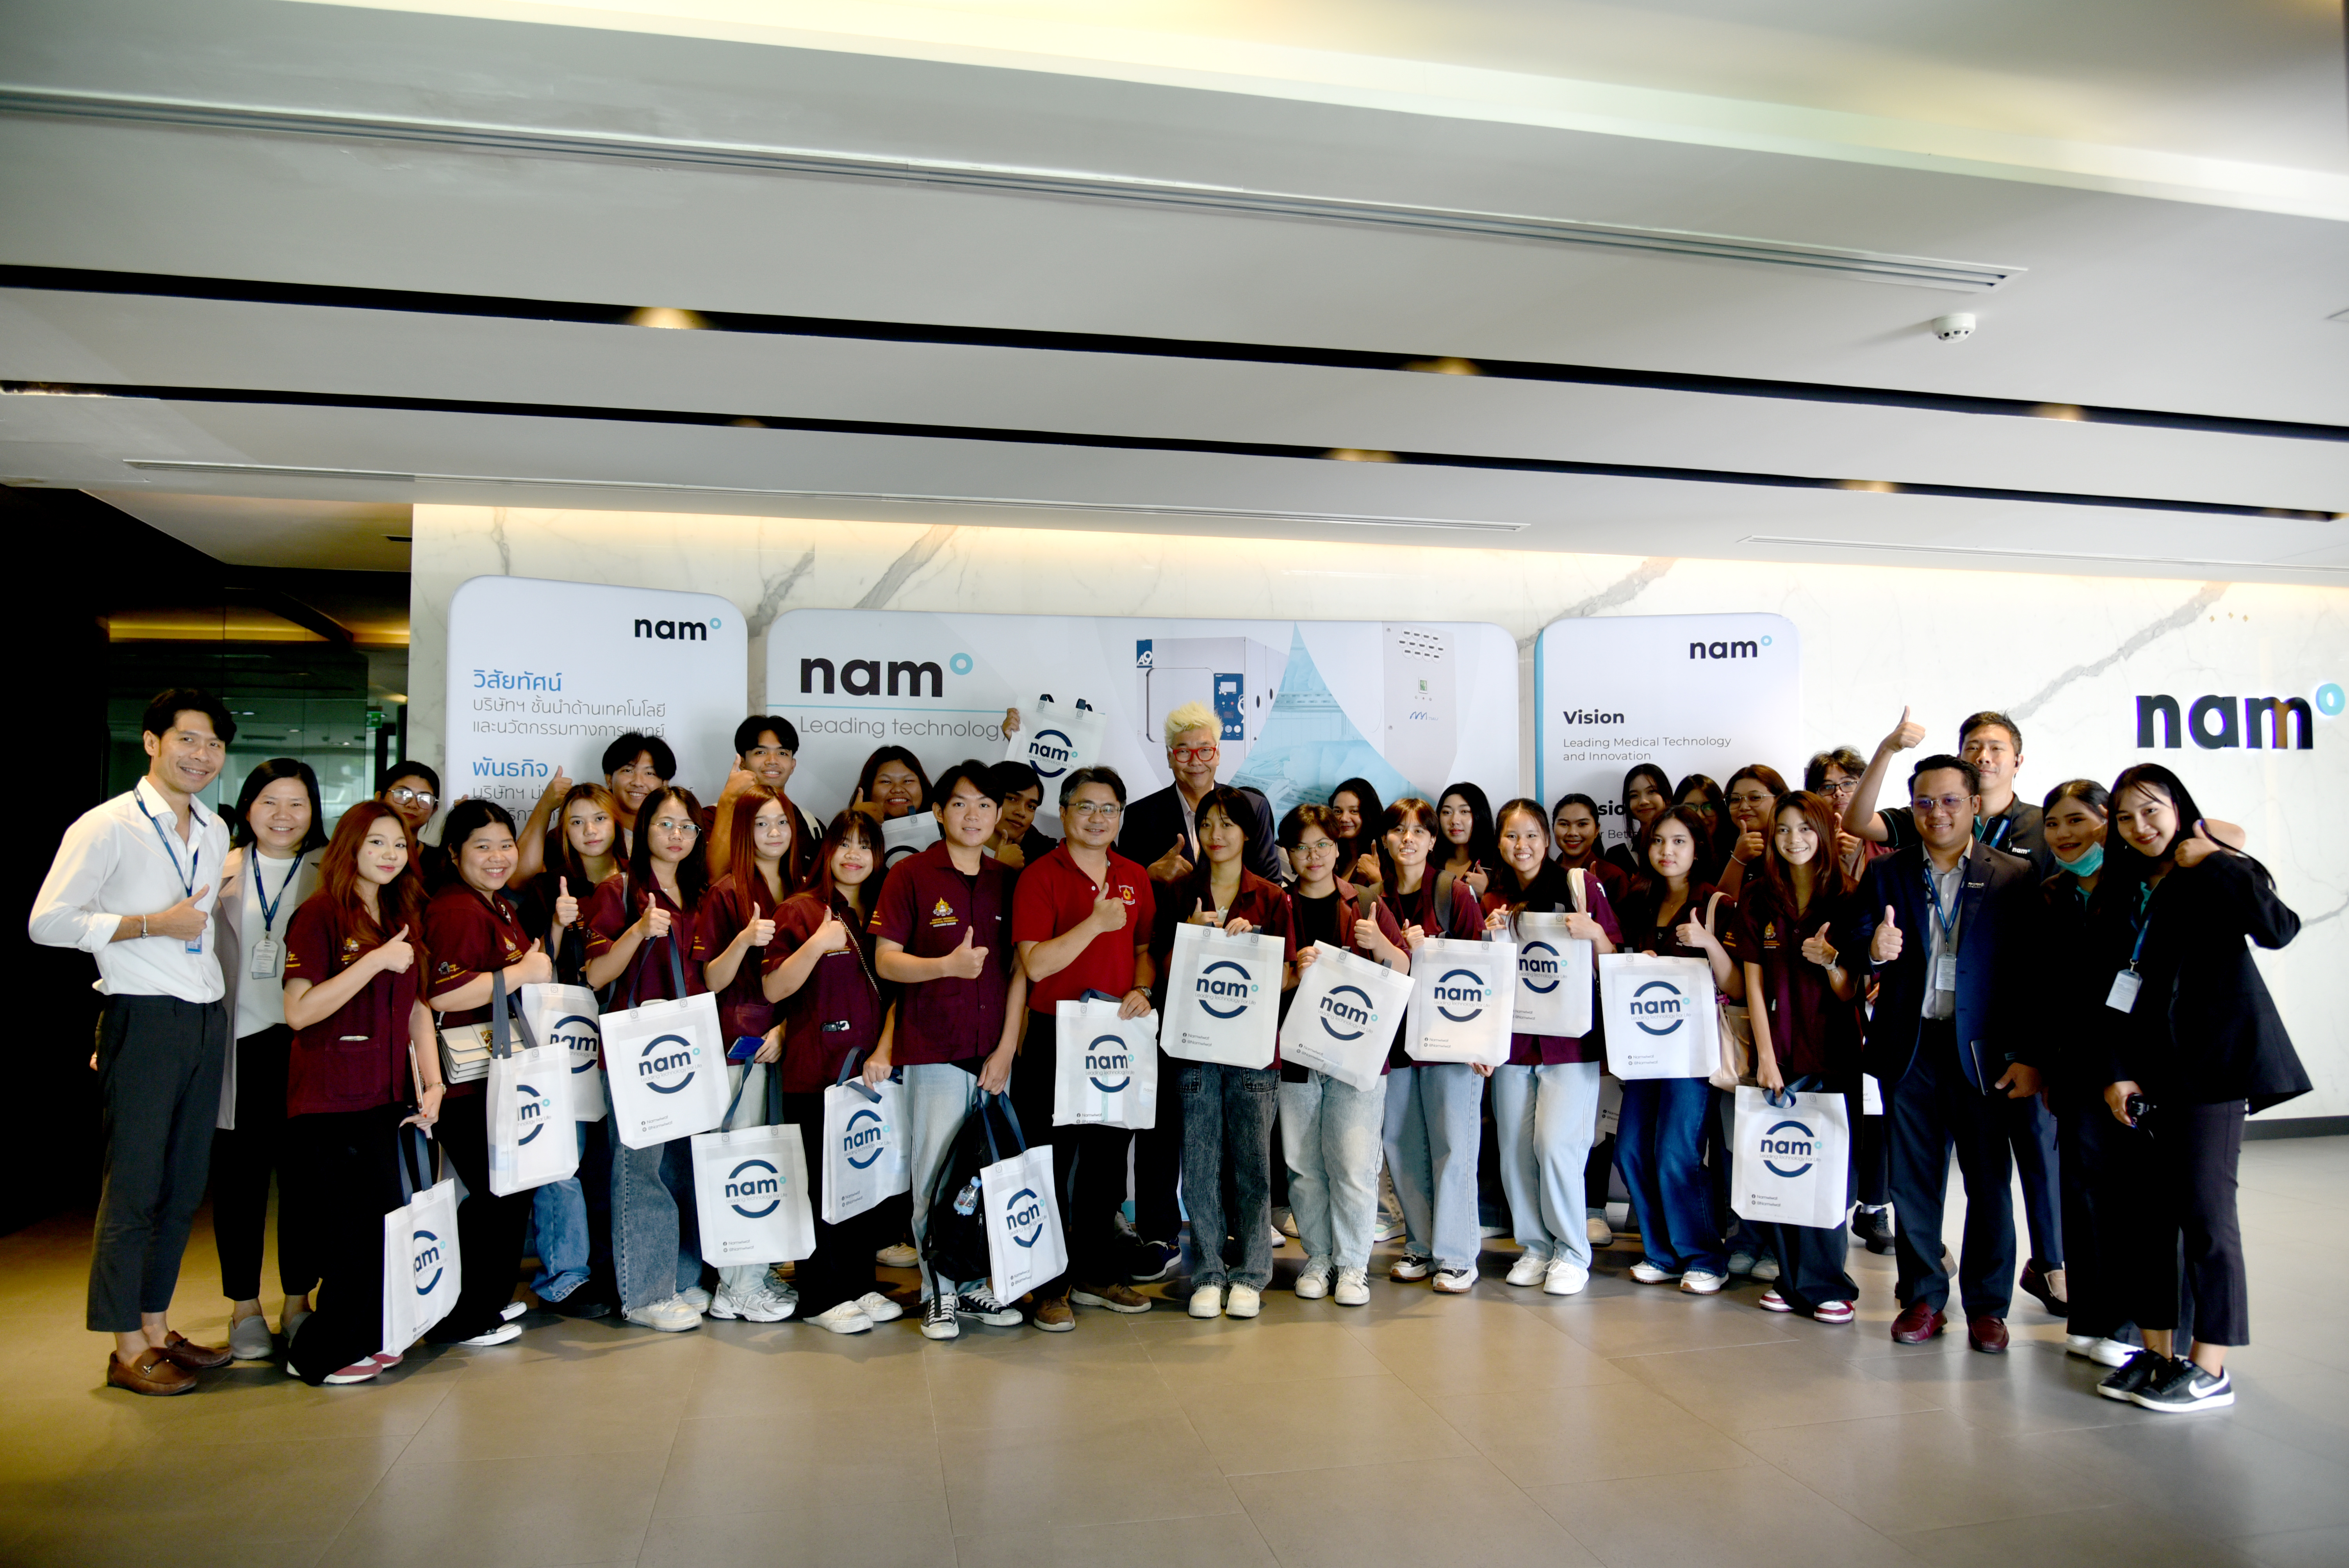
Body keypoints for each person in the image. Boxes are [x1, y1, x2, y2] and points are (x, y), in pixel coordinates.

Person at [31, 688, 239, 1395]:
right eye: (187, 739)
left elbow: (201, 927)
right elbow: (49, 923)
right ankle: (125, 1348)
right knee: (135, 1190)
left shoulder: (212, 828)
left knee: (183, 1188)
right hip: (145, 1017)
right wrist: (149, 925)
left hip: (204, 1015)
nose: (201, 755)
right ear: (152, 742)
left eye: (213, 745)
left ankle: (156, 1324)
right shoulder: (108, 825)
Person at [2089, 765, 2307, 1413]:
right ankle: (2158, 1355)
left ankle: (2210, 1365)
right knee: (2149, 1222)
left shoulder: (2214, 872)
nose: (2140, 827)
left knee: (2208, 1217)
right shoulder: (2119, 891)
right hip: (2145, 1074)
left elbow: (2279, 928)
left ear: (2180, 809)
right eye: (2126, 817)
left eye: (2151, 810)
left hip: (2210, 1073)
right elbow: (2103, 991)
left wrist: (2216, 856)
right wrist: (2114, 1071)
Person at [1850, 754, 2040, 1353]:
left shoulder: (2013, 876)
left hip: (1983, 1056)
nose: (1938, 813)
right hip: (1913, 1049)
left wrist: (2028, 1053)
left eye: (1951, 800)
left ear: (1975, 805)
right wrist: (1873, 948)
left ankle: (1989, 1306)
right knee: (1913, 1184)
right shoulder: (1890, 874)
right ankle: (1925, 1297)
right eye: (1925, 803)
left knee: (1988, 1185)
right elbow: (1853, 937)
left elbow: (2039, 975)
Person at [278, 802, 442, 1384]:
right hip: (331, 1099)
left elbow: (419, 1007)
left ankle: (369, 1336)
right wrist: (374, 961)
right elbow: (299, 1011)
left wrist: (433, 1079)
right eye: (376, 843)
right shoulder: (320, 914)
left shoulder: (401, 912)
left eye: (399, 845)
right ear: (351, 848)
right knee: (347, 1233)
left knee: (383, 1226)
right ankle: (322, 1355)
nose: (390, 855)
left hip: (386, 1097)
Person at [867, 760, 1026, 1339]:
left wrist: (1008, 1048)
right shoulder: (910, 875)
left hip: (993, 1056)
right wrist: (947, 967)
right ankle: (938, 1291)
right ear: (937, 811)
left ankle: (975, 1283)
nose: (973, 815)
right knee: (936, 1175)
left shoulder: (1007, 879)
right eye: (960, 803)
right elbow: (887, 960)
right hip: (934, 1052)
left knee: (987, 1177)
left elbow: (1019, 973)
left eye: (985, 804)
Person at [1009, 765, 1159, 1329]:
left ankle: (1096, 1274)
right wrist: (1095, 924)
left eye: (1110, 809)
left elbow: (1144, 947)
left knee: (1104, 1164)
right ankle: (1048, 1287)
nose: (1099, 819)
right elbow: (1036, 963)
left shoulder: (1134, 876)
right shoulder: (1041, 875)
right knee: (1049, 1164)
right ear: (1065, 813)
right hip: (1054, 1034)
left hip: (1116, 1036)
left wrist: (1143, 987)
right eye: (1086, 808)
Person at [1144, 787, 1296, 1319]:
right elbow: (1161, 968)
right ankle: (1208, 1270)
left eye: (1229, 824)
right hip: (1195, 1049)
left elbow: (1290, 973)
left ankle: (1252, 1273)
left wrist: (1247, 945)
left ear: (1249, 834)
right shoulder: (1180, 890)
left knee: (1252, 1166)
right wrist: (1194, 936)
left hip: (1254, 1053)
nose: (1217, 834)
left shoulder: (1272, 898)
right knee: (1202, 1162)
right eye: (1208, 823)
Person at [581, 786, 714, 1333]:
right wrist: (639, 931)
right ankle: (645, 1293)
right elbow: (595, 976)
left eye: (687, 827)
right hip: (639, 1055)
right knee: (640, 1171)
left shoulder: (701, 893)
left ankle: (681, 1279)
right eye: (666, 825)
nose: (677, 836)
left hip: (690, 1052)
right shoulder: (619, 891)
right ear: (642, 832)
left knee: (682, 1169)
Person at [421, 798, 552, 1349]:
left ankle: (488, 1300)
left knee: (509, 1188)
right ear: (454, 854)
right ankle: (463, 1315)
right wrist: (524, 971)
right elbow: (442, 991)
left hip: (498, 1079)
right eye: (482, 846)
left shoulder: (493, 904)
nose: (498, 857)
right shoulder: (454, 909)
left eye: (506, 844)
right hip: (467, 1083)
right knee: (496, 1192)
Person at [766, 813, 905, 1334]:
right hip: (816, 1072)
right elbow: (774, 990)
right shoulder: (801, 911)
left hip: (872, 1075)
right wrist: (817, 943)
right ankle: (823, 1296)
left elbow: (897, 994)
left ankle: (860, 1285)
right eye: (843, 844)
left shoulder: (883, 913)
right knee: (822, 1186)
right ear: (825, 852)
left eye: (865, 846)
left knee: (865, 1183)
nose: (854, 854)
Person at [212, 759, 328, 1363]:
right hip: (239, 1047)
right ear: (248, 807)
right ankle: (243, 1308)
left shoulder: (330, 870)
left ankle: (298, 1301)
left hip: (308, 1046)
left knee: (305, 1182)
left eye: (298, 804)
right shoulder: (217, 868)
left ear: (315, 811)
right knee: (240, 1183)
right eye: (269, 802)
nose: (284, 816)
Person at [1733, 791, 1864, 1324]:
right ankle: (1791, 1279)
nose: (1794, 840)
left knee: (1827, 1173)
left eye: (1805, 829)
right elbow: (1752, 981)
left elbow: (1851, 990)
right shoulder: (1758, 898)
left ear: (1825, 832)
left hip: (1835, 1055)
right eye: (1783, 829)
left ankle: (1829, 1283)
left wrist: (1831, 961)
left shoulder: (1850, 895)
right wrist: (1765, 1057)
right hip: (1781, 1054)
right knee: (1782, 1168)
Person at [1479, 798, 1618, 1296]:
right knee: (1516, 1151)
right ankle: (1536, 1247)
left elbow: (1615, 964)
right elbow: (1480, 977)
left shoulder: (1580, 887)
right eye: (1511, 836)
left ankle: (1571, 1249)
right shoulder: (1490, 897)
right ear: (1499, 842)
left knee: (1557, 1146)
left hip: (1569, 1045)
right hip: (1512, 1045)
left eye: (1532, 835)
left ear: (1547, 839)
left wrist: (1596, 933)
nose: (1522, 846)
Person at [1275, 805, 1411, 1306]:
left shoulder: (1369, 903)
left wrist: (1380, 945)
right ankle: (1319, 1256)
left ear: (1338, 849)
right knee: (1304, 1166)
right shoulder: (1277, 905)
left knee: (1353, 1164)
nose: (1312, 856)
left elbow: (1405, 972)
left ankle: (1353, 1265)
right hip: (1294, 1056)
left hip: (1358, 1058)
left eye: (1322, 845)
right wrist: (1291, 967)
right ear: (1287, 853)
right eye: (1301, 846)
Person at [2030, 779, 2141, 1369]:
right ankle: (2091, 1315)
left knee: (2128, 1199)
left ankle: (2127, 1324)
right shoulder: (2053, 894)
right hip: (2074, 1066)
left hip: (2130, 1069)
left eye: (2078, 820)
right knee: (2082, 1192)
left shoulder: (2138, 888)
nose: (2066, 835)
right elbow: (2048, 990)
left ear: (2108, 821)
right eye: (2054, 824)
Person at [1612, 807, 1742, 1294]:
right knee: (1629, 1149)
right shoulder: (1639, 900)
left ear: (1697, 847)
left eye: (1679, 841)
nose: (1667, 851)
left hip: (1692, 1053)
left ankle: (1704, 1254)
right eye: (1658, 841)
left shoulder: (1715, 903)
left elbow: (1735, 984)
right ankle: (1661, 1251)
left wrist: (1708, 943)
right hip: (1645, 1047)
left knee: (1676, 1150)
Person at [511, 781, 623, 1320]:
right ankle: (565, 1278)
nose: (589, 832)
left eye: (598, 819)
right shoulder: (544, 889)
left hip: (626, 1038)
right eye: (576, 821)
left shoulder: (639, 882)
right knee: (563, 1158)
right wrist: (557, 925)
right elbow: (539, 972)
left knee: (611, 1160)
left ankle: (611, 1265)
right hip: (564, 1041)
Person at [1369, 796, 1488, 1292]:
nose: (1408, 839)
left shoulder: (1453, 892)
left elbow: (1481, 973)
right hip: (1392, 1044)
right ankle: (1419, 1244)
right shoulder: (1369, 898)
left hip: (1449, 1044)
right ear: (1385, 839)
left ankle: (1457, 1253)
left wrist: (1481, 1042)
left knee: (1453, 1146)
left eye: (1419, 830)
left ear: (1434, 840)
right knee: (1402, 1145)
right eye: (1398, 830)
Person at [695, 784, 803, 1324]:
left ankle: (755, 1274)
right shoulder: (726, 892)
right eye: (762, 824)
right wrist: (742, 939)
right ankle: (733, 1287)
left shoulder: (803, 886)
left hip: (790, 1043)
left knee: (773, 1164)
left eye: (781, 822)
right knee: (743, 1164)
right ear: (743, 831)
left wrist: (787, 1026)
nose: (774, 834)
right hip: (742, 1049)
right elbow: (711, 979)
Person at [1808, 745, 1893, 1253]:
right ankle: (1831, 1207)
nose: (1838, 795)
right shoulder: (1807, 844)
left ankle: (1876, 1204)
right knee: (1838, 1107)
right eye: (1828, 786)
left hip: (1880, 996)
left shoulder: (1888, 851)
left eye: (1849, 785)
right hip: (1827, 998)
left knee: (1877, 1107)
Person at [1116, 701, 1280, 884]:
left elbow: (1271, 884)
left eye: (1205, 750)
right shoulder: (1140, 816)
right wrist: (1149, 874)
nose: (1196, 761)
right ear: (1170, 757)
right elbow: (1122, 887)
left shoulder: (1252, 807)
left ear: (1217, 755)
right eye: (1184, 751)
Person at [705, 716, 825, 866]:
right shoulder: (712, 817)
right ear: (742, 762)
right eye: (761, 752)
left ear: (793, 765)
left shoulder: (812, 826)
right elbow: (713, 878)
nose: (772, 761)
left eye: (782, 753)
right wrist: (728, 800)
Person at [1716, 764, 1788, 897]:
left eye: (1755, 798)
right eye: (1735, 800)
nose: (1743, 807)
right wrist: (1738, 859)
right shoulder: (1718, 848)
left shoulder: (1794, 844)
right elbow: (1720, 909)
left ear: (1779, 800)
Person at [377, 760, 449, 889]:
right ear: (379, 798)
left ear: (435, 809)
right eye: (402, 794)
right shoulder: (358, 852)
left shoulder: (441, 863)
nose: (412, 805)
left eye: (425, 799)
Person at [1550, 792, 1627, 905]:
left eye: (1582, 824)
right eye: (1564, 824)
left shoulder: (1614, 877)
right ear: (1553, 828)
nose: (1573, 833)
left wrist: (1596, 897)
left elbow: (1626, 923)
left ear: (1597, 830)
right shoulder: (1545, 875)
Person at [602, 732, 676, 845]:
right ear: (609, 780)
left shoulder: (676, 836)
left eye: (650, 773)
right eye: (628, 771)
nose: (638, 783)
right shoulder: (593, 834)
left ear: (665, 784)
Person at [1603, 764, 1672, 882]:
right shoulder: (1617, 856)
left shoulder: (1685, 849)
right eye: (1634, 796)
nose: (1643, 801)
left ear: (1667, 796)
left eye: (1652, 791)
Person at [986, 759, 1058, 871]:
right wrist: (1000, 868)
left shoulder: (1037, 865)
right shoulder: (954, 852)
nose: (1022, 813)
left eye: (1031, 807)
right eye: (1012, 799)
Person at [1434, 782, 1499, 905]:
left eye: (1465, 812)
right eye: (1447, 812)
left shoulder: (1498, 865)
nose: (1454, 821)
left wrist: (1487, 893)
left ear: (1480, 814)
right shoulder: (1430, 862)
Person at [1671, 774, 1733, 886]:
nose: (1700, 815)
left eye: (1708, 807)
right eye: (1690, 808)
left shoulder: (1734, 855)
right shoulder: (1668, 855)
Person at [1328, 777, 1387, 890]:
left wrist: (1375, 878)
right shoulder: (1331, 855)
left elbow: (1392, 907)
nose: (1344, 819)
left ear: (1369, 814)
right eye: (1338, 811)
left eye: (1354, 811)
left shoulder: (1385, 859)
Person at [851, 745, 930, 823]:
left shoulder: (941, 826)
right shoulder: (848, 829)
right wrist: (856, 822)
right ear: (869, 789)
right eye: (886, 782)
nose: (898, 790)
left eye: (907, 781)